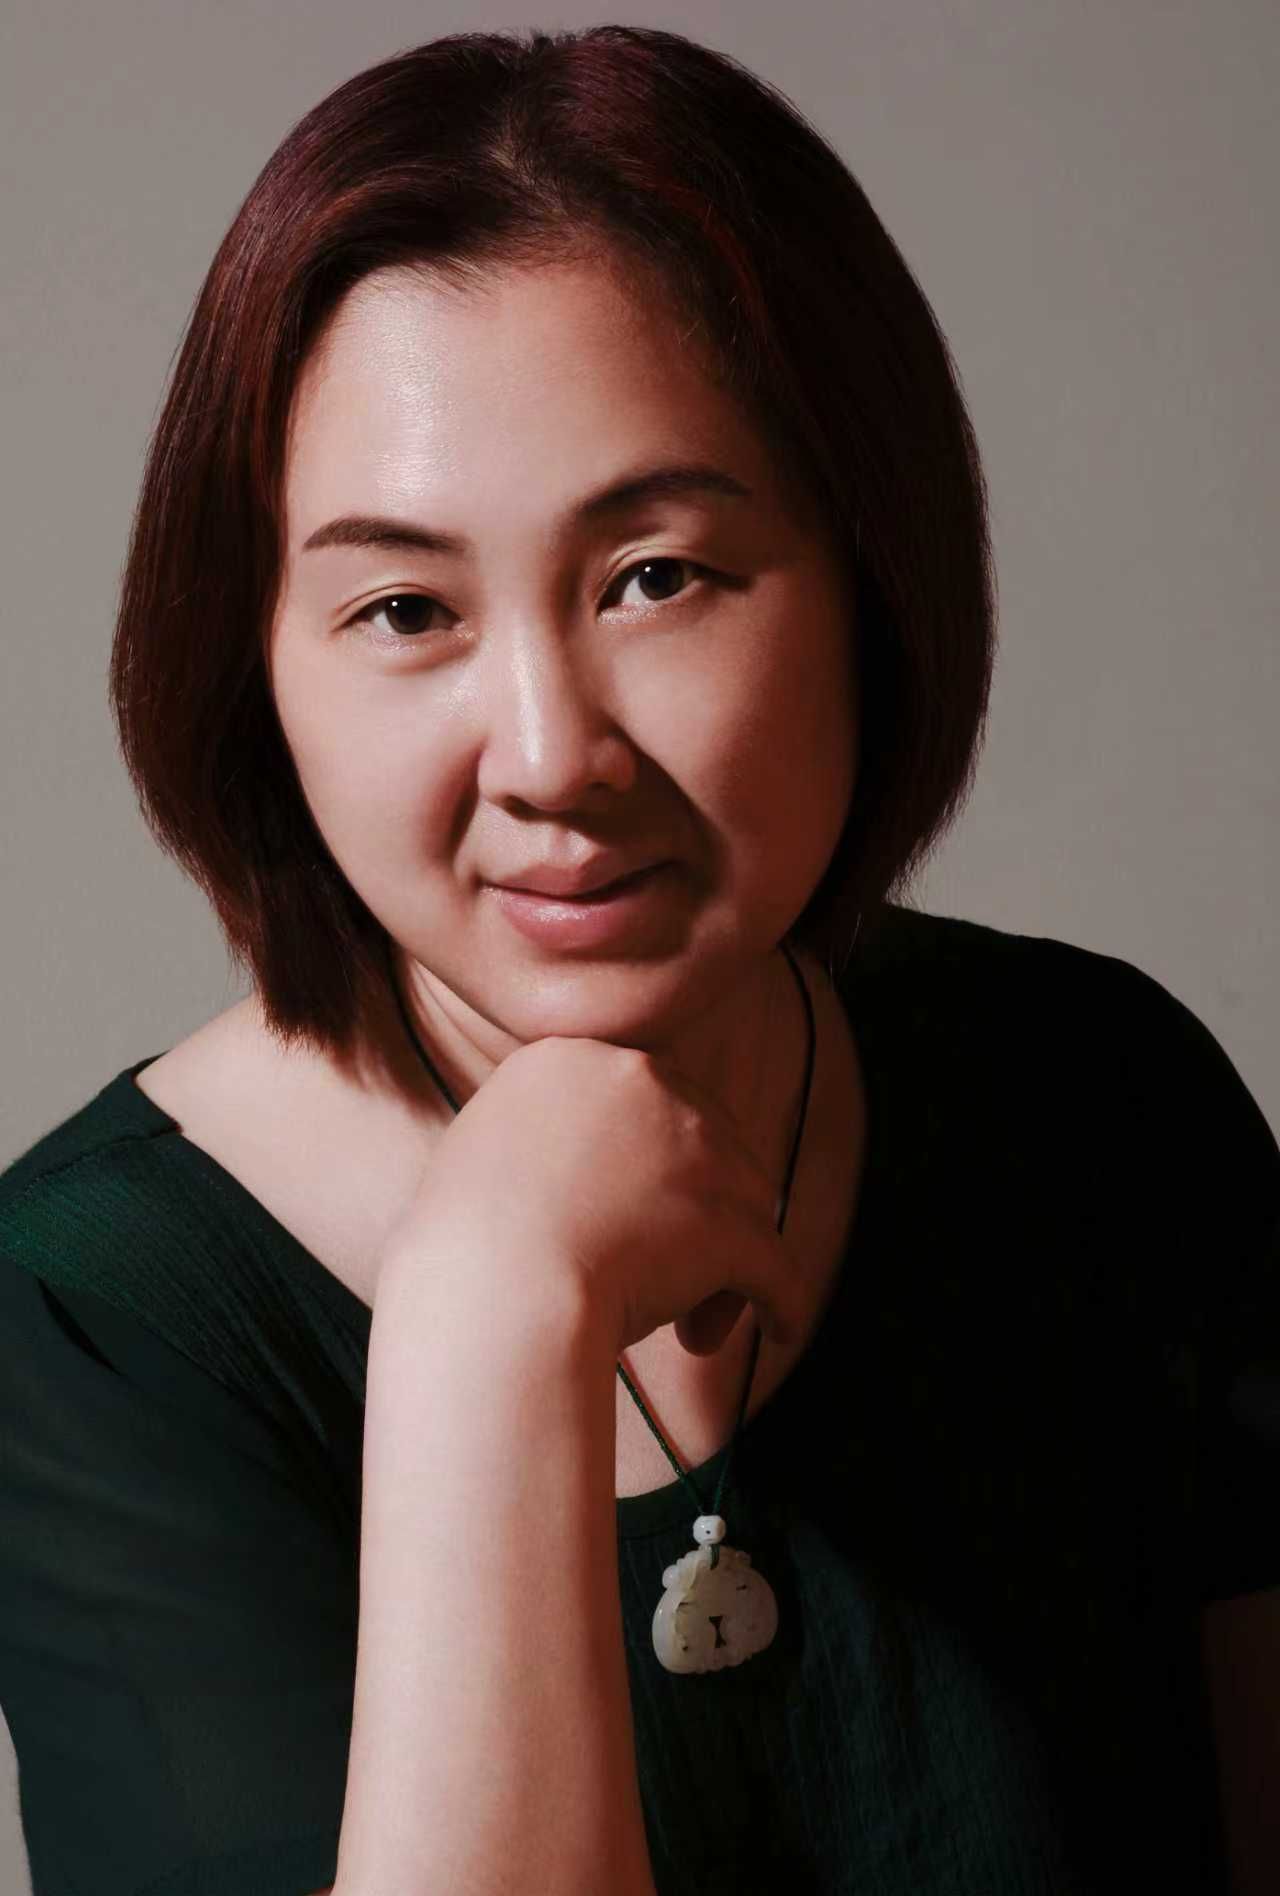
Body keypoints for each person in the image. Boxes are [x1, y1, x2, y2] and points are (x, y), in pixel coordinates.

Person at [1, 22, 1276, 1896]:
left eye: (655, 577)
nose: (549, 758)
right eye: (404, 608)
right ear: (252, 665)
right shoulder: (95, 1324)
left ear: (870, 577)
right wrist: (490, 1319)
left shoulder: (1100, 1098)